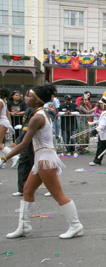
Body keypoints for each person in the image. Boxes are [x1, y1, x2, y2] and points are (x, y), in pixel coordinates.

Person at [2, 84, 83, 239]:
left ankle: (76, 225)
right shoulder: (41, 113)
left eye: (29, 96)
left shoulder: (37, 117)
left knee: (58, 194)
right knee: (27, 190)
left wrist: (4, 157)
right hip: (42, 158)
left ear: (37, 100)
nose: (26, 98)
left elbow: (24, 143)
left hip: (45, 159)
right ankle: (24, 226)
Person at [9, 91, 35, 196]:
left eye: (29, 96)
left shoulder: (37, 111)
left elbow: (28, 127)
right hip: (26, 141)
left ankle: (51, 187)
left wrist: (18, 140)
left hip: (33, 142)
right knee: (23, 163)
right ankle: (22, 188)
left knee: (39, 166)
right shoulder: (29, 109)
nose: (25, 98)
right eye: (25, 96)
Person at [0, 87, 19, 168]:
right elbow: (7, 113)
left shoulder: (1, 101)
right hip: (4, 122)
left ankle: (14, 156)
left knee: (0, 144)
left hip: (2, 122)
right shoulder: (4, 101)